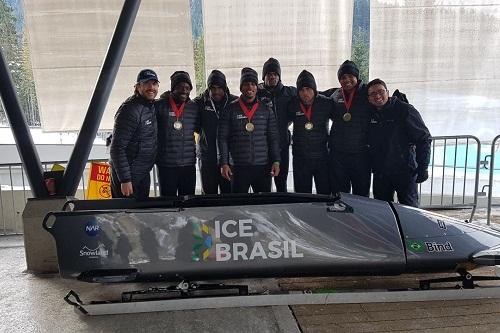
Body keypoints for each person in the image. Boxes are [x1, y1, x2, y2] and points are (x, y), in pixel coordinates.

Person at [367, 78, 432, 207]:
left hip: (404, 172)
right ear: (368, 98)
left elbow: (423, 138)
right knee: (382, 210)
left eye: (381, 92)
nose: (378, 96)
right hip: (381, 173)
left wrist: (423, 167)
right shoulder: (369, 113)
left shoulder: (404, 110)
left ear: (388, 92)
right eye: (373, 94)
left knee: (410, 210)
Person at [218, 67, 281, 193]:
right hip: (238, 166)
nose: (249, 88)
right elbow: (222, 138)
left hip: (262, 166)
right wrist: (224, 163)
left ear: (257, 87)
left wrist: (276, 161)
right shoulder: (230, 109)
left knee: (263, 207)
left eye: (253, 84)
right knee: (239, 206)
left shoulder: (266, 110)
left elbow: (273, 138)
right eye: (246, 84)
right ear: (241, 87)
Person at [109, 69, 159, 199]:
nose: (151, 87)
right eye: (146, 83)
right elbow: (116, 148)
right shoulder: (130, 110)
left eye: (154, 84)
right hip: (128, 177)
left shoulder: (150, 106)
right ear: (137, 87)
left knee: (141, 215)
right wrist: (125, 180)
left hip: (142, 172)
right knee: (125, 217)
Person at [327, 60, 371, 197]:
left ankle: (361, 219)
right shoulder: (335, 96)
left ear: (356, 76)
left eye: (350, 76)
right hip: (339, 154)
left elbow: (382, 100)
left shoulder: (367, 93)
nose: (346, 80)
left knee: (361, 195)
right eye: (342, 77)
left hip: (361, 154)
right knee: (340, 195)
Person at [287, 70, 333, 194]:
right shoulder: (293, 104)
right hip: (301, 158)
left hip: (322, 158)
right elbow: (283, 124)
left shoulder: (326, 103)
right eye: (301, 90)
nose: (305, 93)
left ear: (314, 89)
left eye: (308, 89)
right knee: (302, 196)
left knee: (325, 195)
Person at [155, 71, 199, 196]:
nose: (184, 91)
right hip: (166, 164)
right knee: (168, 202)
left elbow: (198, 128)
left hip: (188, 164)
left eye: (187, 88)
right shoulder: (159, 106)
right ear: (173, 88)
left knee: (188, 201)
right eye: (180, 87)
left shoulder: (193, 107)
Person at [193, 70, 237, 194]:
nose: (216, 92)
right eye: (213, 88)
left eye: (220, 88)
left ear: (225, 87)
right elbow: (194, 125)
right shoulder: (199, 103)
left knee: (229, 195)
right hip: (207, 158)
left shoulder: (234, 102)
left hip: (229, 159)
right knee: (208, 196)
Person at [258, 58, 297, 192]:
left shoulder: (290, 92)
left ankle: (282, 211)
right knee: (264, 186)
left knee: (281, 183)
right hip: (262, 148)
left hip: (282, 146)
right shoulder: (257, 93)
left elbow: (311, 94)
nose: (272, 76)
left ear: (279, 76)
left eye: (275, 74)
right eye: (269, 74)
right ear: (264, 77)